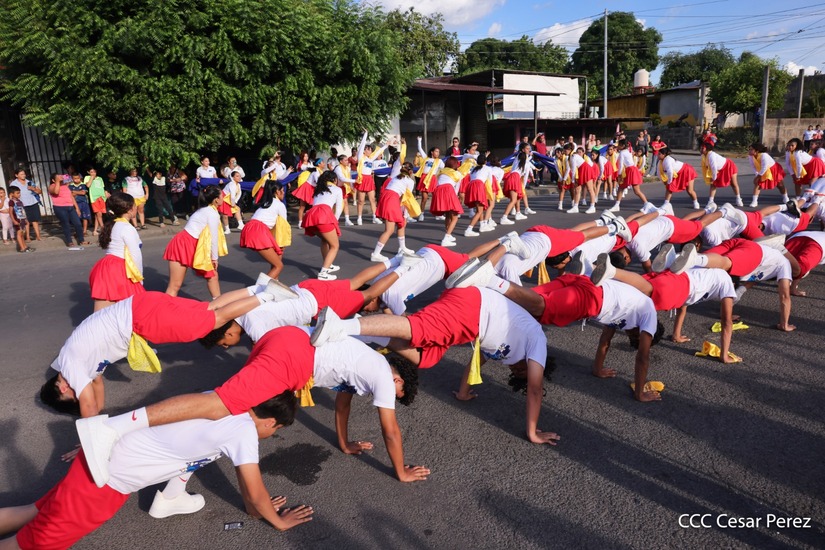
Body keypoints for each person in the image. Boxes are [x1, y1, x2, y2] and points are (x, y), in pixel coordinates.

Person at [0, 392, 311, 550]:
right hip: (101, 486)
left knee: (32, 511)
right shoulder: (243, 431)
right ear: (272, 422)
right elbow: (256, 492)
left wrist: (257, 508)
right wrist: (279, 523)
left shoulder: (220, 401)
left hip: (96, 460)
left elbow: (249, 490)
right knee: (27, 546)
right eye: (276, 430)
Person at [309, 289, 560, 446]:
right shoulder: (538, 342)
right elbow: (535, 390)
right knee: (419, 328)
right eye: (523, 373)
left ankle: (364, 331)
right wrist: (533, 432)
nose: (518, 373)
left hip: (471, 319)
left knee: (426, 357)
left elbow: (475, 364)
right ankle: (342, 326)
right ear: (537, 365)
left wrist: (463, 393)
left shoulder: (505, 355)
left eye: (517, 376)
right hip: (475, 307)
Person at [446, 261, 664, 402]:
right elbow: (643, 358)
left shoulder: (625, 318)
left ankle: (478, 289)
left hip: (585, 283)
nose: (634, 337)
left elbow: (604, 342)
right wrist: (639, 393)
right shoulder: (649, 316)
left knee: (526, 303)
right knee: (542, 308)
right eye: (637, 337)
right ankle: (490, 279)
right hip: (592, 299)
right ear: (648, 333)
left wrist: (598, 369)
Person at [39, 288, 273, 418]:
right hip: (142, 304)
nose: (80, 395)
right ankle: (257, 288)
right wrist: (99, 418)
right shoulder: (77, 361)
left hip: (140, 319)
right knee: (207, 307)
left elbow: (88, 403)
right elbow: (96, 387)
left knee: (212, 321)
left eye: (74, 397)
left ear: (62, 388)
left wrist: (90, 442)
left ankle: (267, 296)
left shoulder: (69, 367)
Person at [671, 239, 798, 331]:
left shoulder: (770, 265)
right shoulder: (785, 264)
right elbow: (785, 296)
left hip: (739, 243)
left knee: (702, 262)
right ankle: (693, 259)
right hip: (754, 251)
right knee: (724, 264)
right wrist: (784, 324)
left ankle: (670, 262)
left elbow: (749, 282)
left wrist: (728, 311)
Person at [163, 186, 227, 299]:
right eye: (222, 195)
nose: (224, 197)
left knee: (212, 276)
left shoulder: (206, 210)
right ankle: (163, 312)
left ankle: (219, 306)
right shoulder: (212, 213)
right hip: (183, 244)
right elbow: (213, 237)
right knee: (175, 285)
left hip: (190, 244)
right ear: (216, 199)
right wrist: (214, 258)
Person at [88, 192, 145, 311]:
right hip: (120, 269)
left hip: (104, 267)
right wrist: (139, 279)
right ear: (130, 210)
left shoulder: (113, 224)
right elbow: (136, 256)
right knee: (129, 311)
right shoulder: (128, 228)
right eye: (134, 205)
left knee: (100, 314)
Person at [240, 179, 288, 280]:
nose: (284, 192)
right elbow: (284, 227)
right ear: (277, 192)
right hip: (259, 230)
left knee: (276, 261)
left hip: (250, 228)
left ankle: (275, 283)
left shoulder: (265, 203)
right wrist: (282, 244)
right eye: (282, 190)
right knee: (278, 265)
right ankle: (259, 289)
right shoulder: (280, 205)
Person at [301, 170, 343, 280]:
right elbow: (338, 209)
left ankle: (327, 265)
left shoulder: (318, 190)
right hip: (323, 215)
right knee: (335, 245)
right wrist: (334, 222)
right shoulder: (337, 189)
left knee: (325, 240)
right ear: (334, 180)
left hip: (311, 215)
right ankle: (323, 273)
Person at [371, 165, 416, 260]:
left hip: (387, 198)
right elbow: (406, 198)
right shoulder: (410, 181)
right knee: (389, 230)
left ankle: (402, 248)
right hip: (392, 199)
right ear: (411, 172)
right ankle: (375, 254)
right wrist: (405, 213)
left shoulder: (396, 177)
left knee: (401, 223)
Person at [430, 157, 465, 246]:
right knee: (455, 216)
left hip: (438, 190)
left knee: (448, 214)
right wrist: (455, 198)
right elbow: (456, 188)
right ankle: (446, 238)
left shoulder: (441, 171)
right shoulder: (458, 173)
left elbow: (437, 183)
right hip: (448, 190)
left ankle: (448, 235)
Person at [354, 131, 387, 225]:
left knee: (373, 199)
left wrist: (385, 146)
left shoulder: (370, 159)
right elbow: (362, 145)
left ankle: (374, 217)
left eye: (370, 150)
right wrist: (365, 134)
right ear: (364, 150)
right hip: (362, 179)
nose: (370, 151)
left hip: (369, 179)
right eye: (368, 149)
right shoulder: (361, 157)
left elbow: (378, 153)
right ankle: (359, 218)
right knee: (361, 201)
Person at [48, 172, 88, 249]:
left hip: (70, 207)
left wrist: (76, 208)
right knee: (66, 224)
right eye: (58, 177)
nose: (60, 177)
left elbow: (71, 197)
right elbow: (56, 192)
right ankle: (69, 241)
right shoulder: (51, 186)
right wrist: (57, 182)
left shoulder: (65, 186)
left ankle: (81, 240)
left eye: (60, 176)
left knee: (78, 224)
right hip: (60, 207)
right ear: (53, 180)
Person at [609, 140, 647, 212]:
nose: (617, 146)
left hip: (631, 171)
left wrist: (619, 175)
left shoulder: (622, 153)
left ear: (623, 146)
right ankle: (617, 205)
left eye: (619, 145)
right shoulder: (627, 151)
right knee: (621, 187)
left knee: (636, 191)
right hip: (630, 170)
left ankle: (647, 204)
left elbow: (620, 165)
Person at [701, 143, 743, 207]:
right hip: (719, 169)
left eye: (702, 148)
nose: (701, 149)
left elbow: (713, 167)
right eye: (701, 148)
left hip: (728, 166)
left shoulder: (711, 155)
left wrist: (714, 177)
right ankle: (710, 201)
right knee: (713, 184)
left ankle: (738, 199)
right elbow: (708, 166)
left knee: (734, 183)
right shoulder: (704, 155)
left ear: (707, 149)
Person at [748, 142, 789, 208]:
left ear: (757, 151)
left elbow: (765, 166)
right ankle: (754, 201)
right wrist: (756, 175)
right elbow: (753, 166)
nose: (749, 151)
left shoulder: (764, 155)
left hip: (773, 169)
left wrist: (758, 176)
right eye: (749, 149)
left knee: (780, 184)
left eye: (751, 149)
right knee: (758, 184)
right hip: (763, 170)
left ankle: (786, 198)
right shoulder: (750, 156)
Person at [785, 230, 825, 296]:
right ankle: (792, 288)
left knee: (780, 259)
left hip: (797, 237)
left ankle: (786, 278)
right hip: (817, 244)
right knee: (803, 267)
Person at [414, 138, 442, 220]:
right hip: (424, 178)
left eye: (438, 152)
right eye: (436, 151)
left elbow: (445, 168)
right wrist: (419, 140)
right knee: (424, 198)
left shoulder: (439, 161)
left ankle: (438, 214)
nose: (438, 153)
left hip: (432, 179)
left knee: (436, 197)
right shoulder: (426, 158)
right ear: (432, 152)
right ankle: (421, 214)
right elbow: (420, 148)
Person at [11, 168, 42, 242]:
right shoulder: (14, 184)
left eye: (24, 174)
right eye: (21, 174)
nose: (23, 175)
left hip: (33, 202)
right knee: (26, 221)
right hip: (22, 204)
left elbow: (39, 191)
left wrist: (33, 189)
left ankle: (38, 236)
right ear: (16, 175)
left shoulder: (29, 182)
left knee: (35, 220)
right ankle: (27, 237)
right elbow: (12, 194)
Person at [218, 170, 245, 234]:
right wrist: (233, 203)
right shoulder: (231, 184)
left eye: (239, 176)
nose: (239, 177)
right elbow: (232, 195)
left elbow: (239, 193)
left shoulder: (238, 185)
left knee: (237, 209)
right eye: (237, 176)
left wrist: (235, 201)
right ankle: (227, 229)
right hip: (224, 199)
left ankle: (241, 224)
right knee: (225, 215)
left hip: (230, 199)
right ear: (233, 178)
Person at [7, 186, 31, 252]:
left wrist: (25, 219)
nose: (19, 194)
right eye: (17, 193)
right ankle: (22, 248)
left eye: (19, 193)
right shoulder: (11, 202)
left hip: (22, 219)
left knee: (22, 233)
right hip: (17, 219)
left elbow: (22, 210)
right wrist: (14, 220)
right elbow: (10, 212)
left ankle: (25, 246)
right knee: (19, 233)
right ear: (12, 194)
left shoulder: (19, 201)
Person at [86, 168, 107, 236]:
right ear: (88, 172)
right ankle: (103, 228)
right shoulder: (87, 177)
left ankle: (95, 230)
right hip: (94, 198)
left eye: (94, 172)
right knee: (99, 214)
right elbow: (88, 185)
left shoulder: (100, 178)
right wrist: (91, 178)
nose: (93, 173)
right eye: (91, 172)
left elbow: (102, 187)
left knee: (98, 215)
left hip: (101, 197)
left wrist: (104, 195)